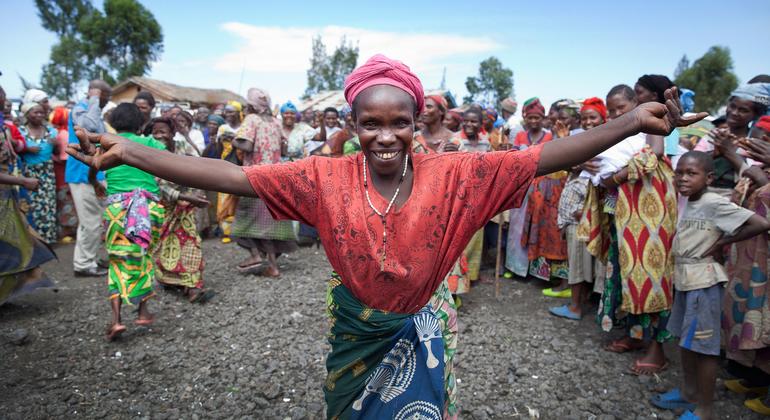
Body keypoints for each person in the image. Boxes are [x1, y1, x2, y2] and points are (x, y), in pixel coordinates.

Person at [68, 54, 703, 419]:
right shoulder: (322, 175)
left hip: (424, 325)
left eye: (399, 122)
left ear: (416, 121)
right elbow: (234, 176)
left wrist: (626, 123)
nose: (385, 136)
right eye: (370, 123)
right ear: (353, 123)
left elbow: (541, 159)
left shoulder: (458, 173)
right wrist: (136, 153)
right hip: (355, 328)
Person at [651, 151, 770, 420]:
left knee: (705, 348)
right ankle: (689, 392)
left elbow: (761, 223)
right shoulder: (690, 202)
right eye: (679, 172)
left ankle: (704, 409)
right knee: (686, 341)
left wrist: (723, 242)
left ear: (709, 177)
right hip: (685, 280)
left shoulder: (713, 202)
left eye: (691, 173)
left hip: (703, 284)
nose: (682, 178)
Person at [581, 84, 678, 376]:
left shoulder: (650, 124)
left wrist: (615, 177)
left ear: (636, 104)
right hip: (619, 214)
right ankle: (634, 335)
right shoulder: (615, 132)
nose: (614, 114)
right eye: (610, 110)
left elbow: (655, 155)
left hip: (649, 215)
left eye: (620, 108)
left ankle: (656, 349)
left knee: (650, 272)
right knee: (623, 271)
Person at [89, 103, 166, 340]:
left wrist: (96, 183)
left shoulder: (106, 143)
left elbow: (92, 167)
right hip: (149, 208)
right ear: (140, 124)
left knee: (117, 260)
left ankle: (116, 320)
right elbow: (165, 168)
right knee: (145, 255)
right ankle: (143, 311)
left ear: (112, 123)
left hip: (118, 209)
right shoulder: (152, 144)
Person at [549, 98, 608, 319]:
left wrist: (586, 211)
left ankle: (576, 307)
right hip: (575, 213)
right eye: (584, 118)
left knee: (580, 264)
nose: (588, 122)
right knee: (578, 261)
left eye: (593, 117)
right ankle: (579, 303)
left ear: (604, 119)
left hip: (583, 213)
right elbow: (567, 165)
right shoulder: (581, 140)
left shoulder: (605, 141)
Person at [231, 88, 298, 277]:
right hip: (275, 178)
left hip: (254, 177)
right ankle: (273, 266)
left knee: (245, 218)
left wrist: (232, 140)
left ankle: (254, 255)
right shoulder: (276, 123)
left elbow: (247, 145)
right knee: (267, 223)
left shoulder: (252, 120)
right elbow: (283, 148)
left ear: (252, 105)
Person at [146, 117, 212, 303]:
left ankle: (193, 287)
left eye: (163, 131)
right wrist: (186, 197)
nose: (159, 135)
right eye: (155, 132)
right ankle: (173, 280)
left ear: (172, 133)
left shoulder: (182, 147)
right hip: (165, 207)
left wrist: (195, 193)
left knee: (191, 242)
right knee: (164, 246)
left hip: (185, 207)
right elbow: (158, 185)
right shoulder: (150, 152)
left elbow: (198, 162)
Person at [0, 86, 56, 305]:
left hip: (5, 193)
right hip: (8, 187)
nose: (5, 104)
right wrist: (22, 180)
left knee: (13, 242)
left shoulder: (4, 127)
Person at [506, 98, 560, 281]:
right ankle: (515, 268)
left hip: (543, 189)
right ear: (525, 118)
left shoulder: (549, 136)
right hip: (522, 186)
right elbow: (513, 159)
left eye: (537, 117)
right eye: (530, 118)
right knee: (517, 228)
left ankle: (536, 271)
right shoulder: (520, 136)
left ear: (542, 118)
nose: (534, 121)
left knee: (538, 227)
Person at [66, 79, 111, 277]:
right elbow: (89, 127)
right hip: (81, 175)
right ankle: (84, 265)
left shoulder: (91, 110)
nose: (106, 102)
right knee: (91, 222)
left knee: (93, 221)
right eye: (106, 98)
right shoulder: (81, 109)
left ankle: (87, 260)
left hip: (94, 174)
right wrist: (94, 99)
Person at [18, 103, 58, 244]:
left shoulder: (51, 131)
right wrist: (27, 150)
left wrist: (56, 145)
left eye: (42, 113)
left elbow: (57, 154)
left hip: (47, 172)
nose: (40, 115)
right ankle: (35, 239)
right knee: (32, 205)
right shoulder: (20, 131)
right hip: (29, 172)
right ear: (27, 114)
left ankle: (48, 239)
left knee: (48, 204)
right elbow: (15, 151)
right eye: (36, 112)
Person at [50, 106, 78, 241]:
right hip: (65, 175)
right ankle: (67, 233)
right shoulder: (65, 134)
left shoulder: (57, 133)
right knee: (66, 203)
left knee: (63, 204)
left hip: (60, 174)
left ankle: (65, 232)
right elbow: (65, 158)